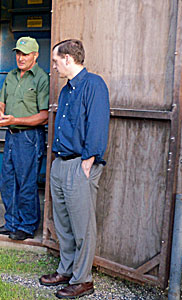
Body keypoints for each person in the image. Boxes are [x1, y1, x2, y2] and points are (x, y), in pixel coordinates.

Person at [39, 39, 110, 298]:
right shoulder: (66, 90)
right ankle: (66, 270)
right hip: (60, 164)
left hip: (81, 164)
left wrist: (88, 160)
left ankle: (83, 280)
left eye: (56, 61)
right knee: (63, 224)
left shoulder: (94, 85)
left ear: (69, 58)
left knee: (82, 226)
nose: (55, 66)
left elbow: (98, 124)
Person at [0, 37, 49, 241]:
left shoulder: (41, 79)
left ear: (35, 55)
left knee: (26, 182)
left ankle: (27, 225)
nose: (20, 58)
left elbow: (44, 116)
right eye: (18, 53)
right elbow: (0, 102)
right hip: (11, 135)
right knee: (8, 181)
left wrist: (16, 119)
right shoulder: (11, 76)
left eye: (25, 54)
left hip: (29, 138)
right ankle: (12, 223)